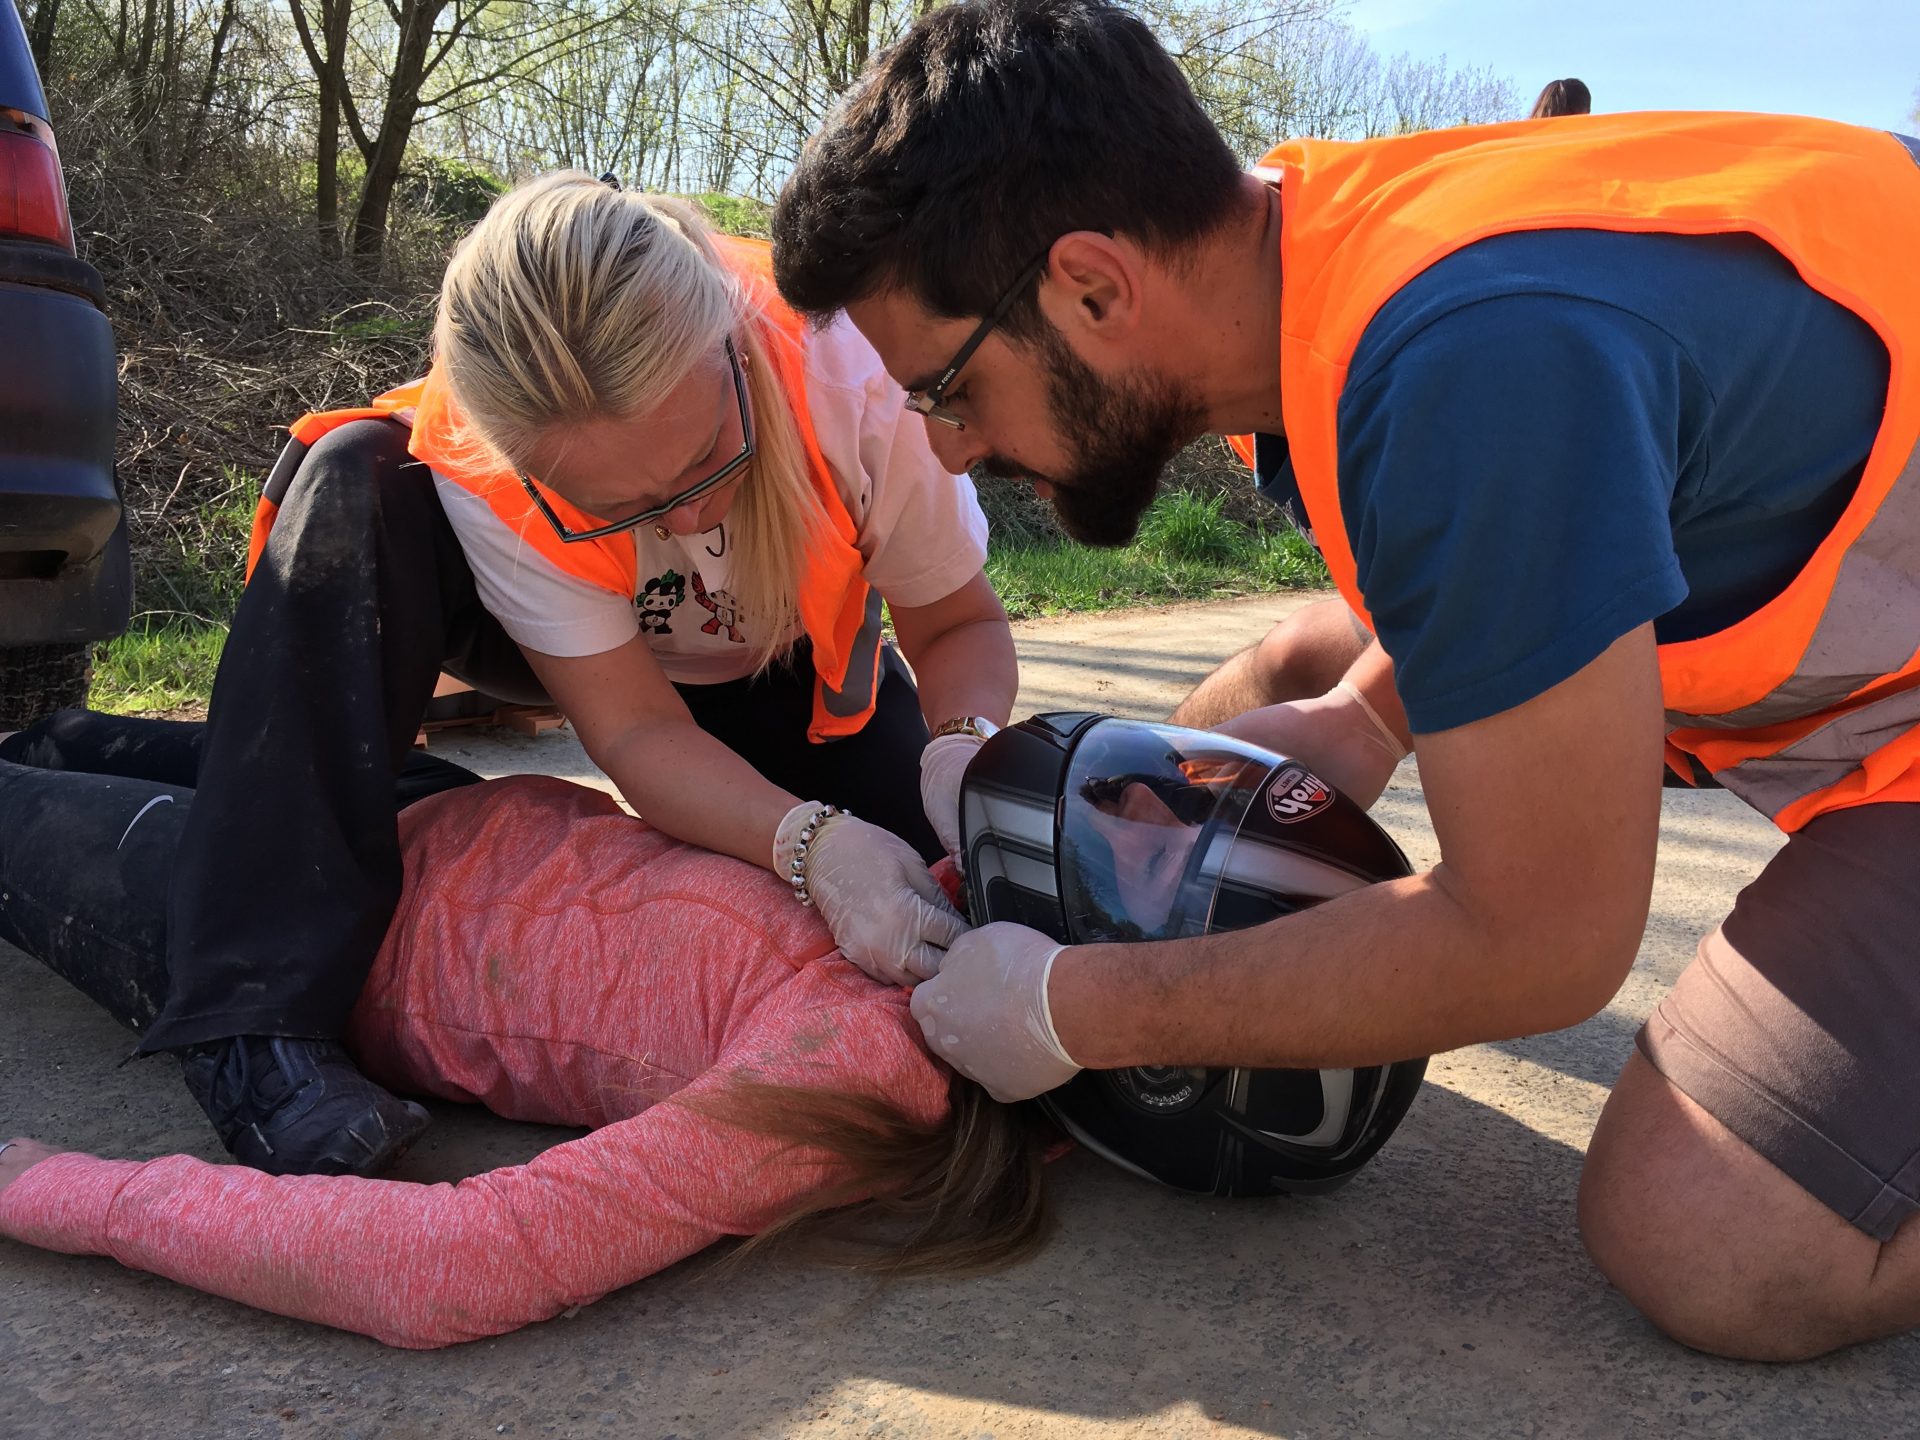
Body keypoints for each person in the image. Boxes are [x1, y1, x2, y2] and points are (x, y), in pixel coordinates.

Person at [768, 0, 1920, 1361]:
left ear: (1092, 286)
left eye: (947, 388)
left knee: (1717, 1238)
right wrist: (1372, 711)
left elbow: (1545, 940)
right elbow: (1575, 470)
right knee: (1312, 658)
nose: (949, 453)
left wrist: (1078, 1008)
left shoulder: (1467, 369)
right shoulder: (1332, 247)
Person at [117, 173, 1018, 1179]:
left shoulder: (854, 375)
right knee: (359, 476)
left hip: (775, 663)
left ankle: (144, 754)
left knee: (942, 880)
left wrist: (966, 747)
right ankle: (254, 1015)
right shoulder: (487, 457)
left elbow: (957, 625)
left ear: (730, 348)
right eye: (618, 502)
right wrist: (807, 842)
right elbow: (635, 732)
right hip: (542, 643)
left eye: (705, 463)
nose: (684, 528)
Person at [0, 709, 1423, 1342]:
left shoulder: (873, 1065)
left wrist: (52, 1190)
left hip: (289, 917)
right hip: (435, 802)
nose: (1135, 816)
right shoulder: (957, 912)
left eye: (1154, 858)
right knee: (47, 734)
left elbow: (450, 1268)